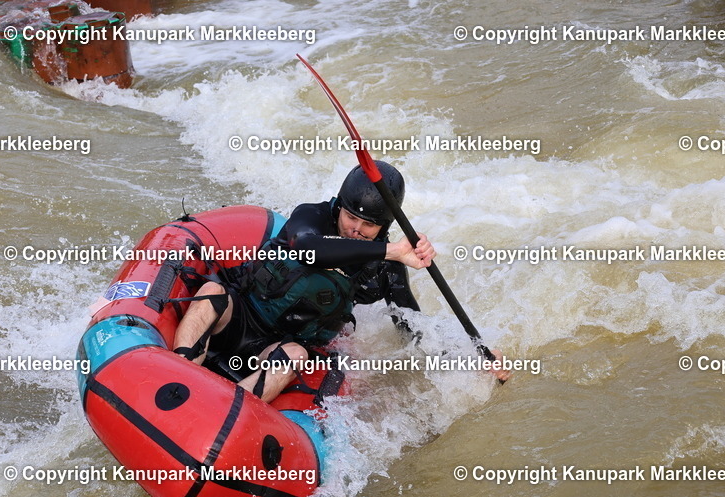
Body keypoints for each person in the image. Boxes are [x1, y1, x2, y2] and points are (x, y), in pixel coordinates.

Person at [173, 161, 509, 401]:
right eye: (351, 217)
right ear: (339, 207)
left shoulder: (386, 267)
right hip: (240, 314)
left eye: (368, 225)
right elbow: (310, 250)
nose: (356, 229)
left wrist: (470, 358)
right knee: (212, 292)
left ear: (384, 226)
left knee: (296, 356)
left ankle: (220, 408)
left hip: (278, 346)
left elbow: (411, 326)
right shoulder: (311, 217)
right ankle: (177, 378)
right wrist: (392, 250)